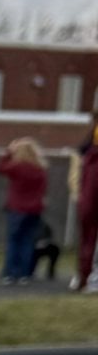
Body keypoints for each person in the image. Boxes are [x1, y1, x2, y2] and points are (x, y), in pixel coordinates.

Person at [0, 138, 50, 284]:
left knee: (14, 241)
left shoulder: (17, 167)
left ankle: (10, 273)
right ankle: (25, 273)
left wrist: (8, 152)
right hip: (34, 209)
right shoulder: (40, 169)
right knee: (27, 241)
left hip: (17, 208)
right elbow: (43, 190)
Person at [72, 117, 98, 293]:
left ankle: (84, 276)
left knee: (87, 243)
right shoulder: (91, 158)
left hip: (88, 206)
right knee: (90, 244)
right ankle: (87, 278)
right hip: (91, 206)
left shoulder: (89, 158)